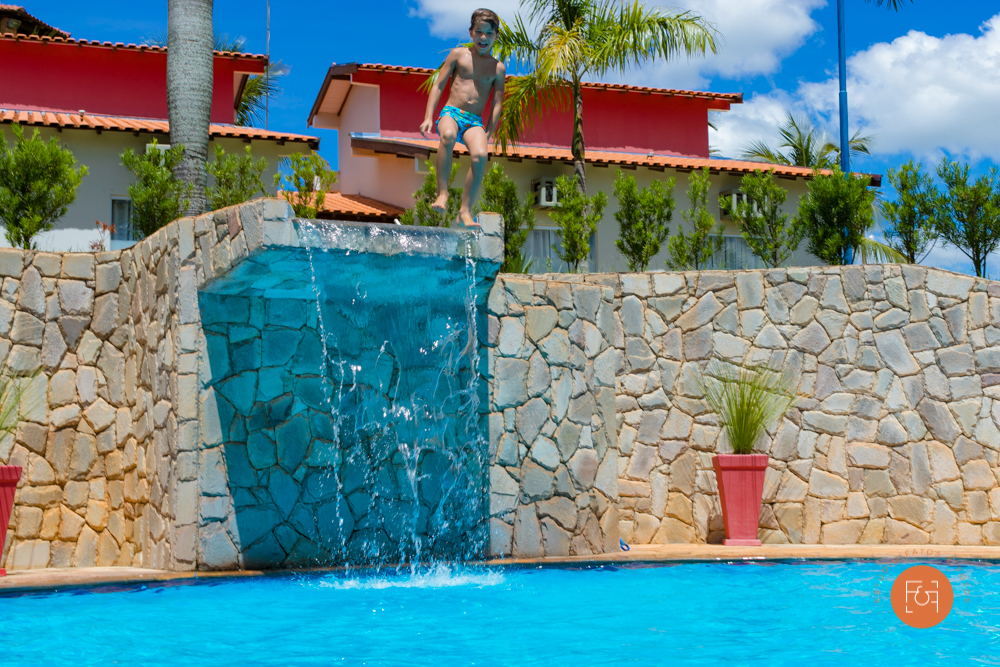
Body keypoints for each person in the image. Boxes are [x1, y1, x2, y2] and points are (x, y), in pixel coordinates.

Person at [419, 8, 506, 229]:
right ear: (470, 33)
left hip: (474, 121)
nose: (483, 37)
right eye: (478, 32)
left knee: (480, 156)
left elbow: (497, 103)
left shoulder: (498, 68)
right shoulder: (459, 55)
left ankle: (465, 212)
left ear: (496, 36)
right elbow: (438, 85)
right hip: (451, 113)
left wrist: (489, 131)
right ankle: (443, 193)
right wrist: (429, 116)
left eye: (488, 33)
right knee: (447, 136)